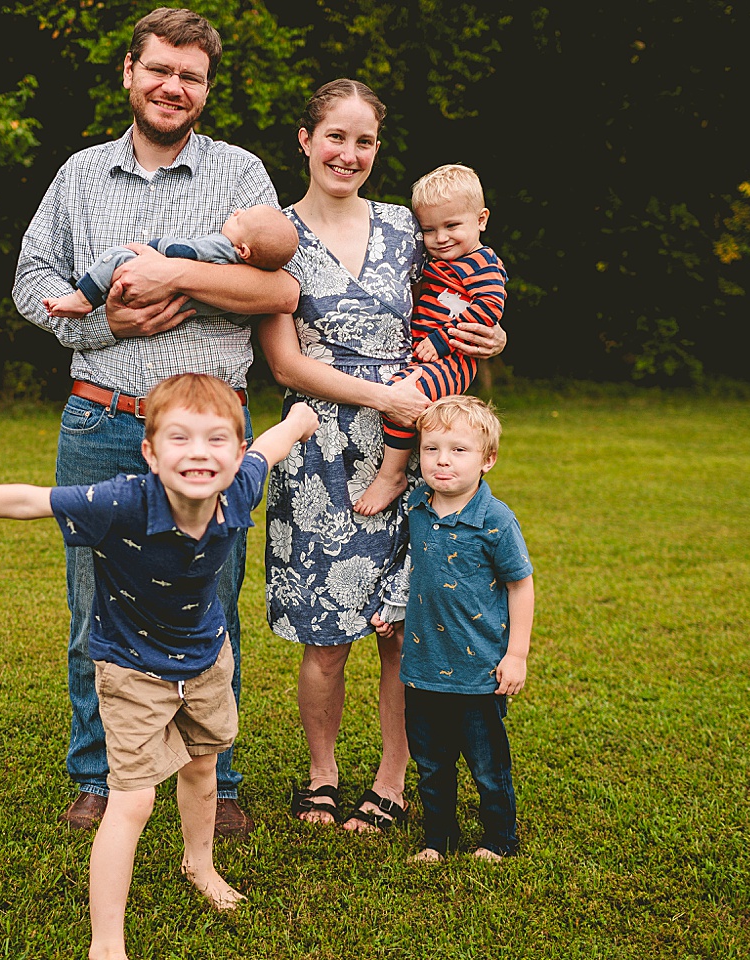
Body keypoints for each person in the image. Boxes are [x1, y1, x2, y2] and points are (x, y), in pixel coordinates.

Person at [0, 374, 320, 959]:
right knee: (132, 801)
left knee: (203, 770)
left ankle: (200, 866)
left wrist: (300, 419)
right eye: (179, 438)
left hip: (207, 660)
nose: (198, 452)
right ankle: (106, 943)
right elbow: (27, 499)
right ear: (150, 452)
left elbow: (275, 443)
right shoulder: (123, 501)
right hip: (132, 669)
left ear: (236, 454)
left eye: (217, 440)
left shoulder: (240, 488)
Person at [11, 7, 300, 835]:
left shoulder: (241, 176)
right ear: (130, 74)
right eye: (161, 70)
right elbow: (33, 278)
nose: (175, 86)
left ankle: (219, 778)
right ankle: (100, 772)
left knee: (209, 604)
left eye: (192, 76)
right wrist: (107, 324)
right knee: (92, 607)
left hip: (210, 438)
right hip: (101, 422)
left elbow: (279, 290)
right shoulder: (79, 175)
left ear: (206, 89)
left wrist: (175, 271)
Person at [256, 79, 506, 833]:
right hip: (321, 446)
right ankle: (321, 775)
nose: (349, 154)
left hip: (415, 443)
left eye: (363, 141)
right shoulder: (277, 235)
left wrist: (492, 336)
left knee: (401, 628)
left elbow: (463, 300)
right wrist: (380, 400)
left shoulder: (407, 226)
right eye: (335, 136)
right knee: (326, 637)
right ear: (305, 140)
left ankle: (392, 779)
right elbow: (284, 364)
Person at [372, 395, 534, 863]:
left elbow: (521, 587)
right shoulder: (418, 506)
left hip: (479, 670)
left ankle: (499, 839)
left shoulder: (495, 521)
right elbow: (413, 569)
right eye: (431, 449)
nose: (442, 460)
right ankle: (436, 840)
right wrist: (393, 613)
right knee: (432, 763)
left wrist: (516, 654)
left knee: (487, 765)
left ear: (488, 459)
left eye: (458, 450)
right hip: (422, 666)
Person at [352, 163, 508, 516]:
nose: (440, 238)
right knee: (414, 407)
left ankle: (392, 475)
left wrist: (440, 341)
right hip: (432, 355)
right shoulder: (440, 260)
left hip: (454, 358)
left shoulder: (482, 264)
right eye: (429, 230)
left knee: (400, 395)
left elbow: (488, 308)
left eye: (452, 226)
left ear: (481, 220)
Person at [43, 205, 299, 319]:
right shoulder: (244, 281)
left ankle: (83, 298)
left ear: (243, 250)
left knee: (118, 257)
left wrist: (155, 249)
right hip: (178, 308)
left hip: (144, 283)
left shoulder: (222, 246)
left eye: (240, 220)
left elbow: (186, 250)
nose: (236, 213)